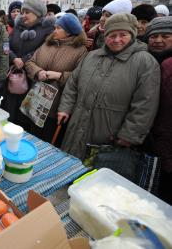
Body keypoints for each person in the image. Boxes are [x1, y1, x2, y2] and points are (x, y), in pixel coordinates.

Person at [58, 13, 160, 159]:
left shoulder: (145, 62)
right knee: (69, 164)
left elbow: (145, 104)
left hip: (110, 135)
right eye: (111, 35)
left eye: (123, 34)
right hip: (76, 126)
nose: (117, 40)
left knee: (95, 176)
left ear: (132, 35)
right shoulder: (92, 56)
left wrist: (129, 135)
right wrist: (65, 108)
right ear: (105, 36)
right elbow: (73, 83)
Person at [24, 13, 87, 145]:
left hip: (55, 107)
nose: (55, 31)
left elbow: (81, 78)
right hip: (35, 100)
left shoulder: (80, 51)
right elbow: (30, 62)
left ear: (70, 32)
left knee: (46, 142)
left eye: (59, 28)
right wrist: (38, 72)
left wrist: (59, 76)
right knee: (30, 137)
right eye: (55, 27)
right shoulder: (47, 44)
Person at [2, 0, 54, 128]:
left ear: (37, 13)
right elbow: (5, 45)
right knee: (9, 112)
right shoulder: (18, 27)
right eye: (22, 12)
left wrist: (24, 60)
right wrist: (13, 58)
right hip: (13, 77)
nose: (23, 15)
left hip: (32, 80)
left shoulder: (47, 30)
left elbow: (43, 50)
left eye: (27, 12)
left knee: (25, 118)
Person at [145, 16, 172, 204]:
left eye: (166, 35)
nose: (158, 40)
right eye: (154, 36)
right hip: (152, 137)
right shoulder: (147, 60)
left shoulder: (167, 65)